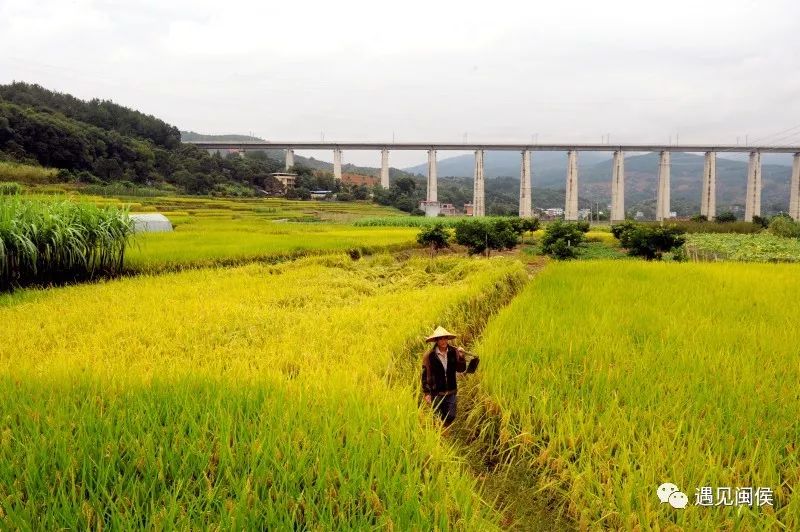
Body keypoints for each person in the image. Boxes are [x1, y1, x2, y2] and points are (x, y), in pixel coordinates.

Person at [420, 326, 467, 427]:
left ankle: (443, 429)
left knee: (451, 415)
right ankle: (441, 434)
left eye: (444, 338)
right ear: (436, 341)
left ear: (447, 339)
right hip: (436, 393)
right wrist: (427, 393)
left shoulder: (454, 352)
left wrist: (462, 357)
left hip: (451, 391)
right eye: (440, 338)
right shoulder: (429, 356)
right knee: (437, 416)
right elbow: (424, 375)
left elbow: (461, 369)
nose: (443, 341)